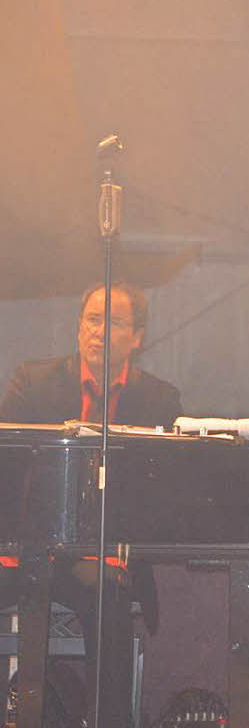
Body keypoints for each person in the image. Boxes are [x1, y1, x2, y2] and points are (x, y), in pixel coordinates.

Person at [0, 281, 182, 728]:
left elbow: (164, 498)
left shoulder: (160, 399)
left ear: (137, 337)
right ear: (79, 328)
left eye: (114, 322)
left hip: (96, 560)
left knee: (107, 591)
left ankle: (108, 720)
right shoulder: (33, 380)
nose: (99, 331)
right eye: (92, 320)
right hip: (22, 551)